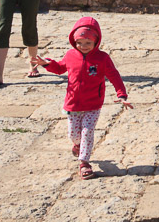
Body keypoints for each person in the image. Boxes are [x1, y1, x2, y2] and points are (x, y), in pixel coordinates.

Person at [31, 16, 131, 180]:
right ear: (74, 41)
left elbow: (114, 76)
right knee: (74, 135)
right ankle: (77, 145)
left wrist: (121, 94)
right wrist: (46, 63)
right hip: (73, 104)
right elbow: (59, 68)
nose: (83, 47)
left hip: (93, 104)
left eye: (88, 43)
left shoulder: (102, 58)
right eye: (80, 43)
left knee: (87, 132)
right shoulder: (71, 55)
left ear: (96, 42)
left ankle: (84, 162)